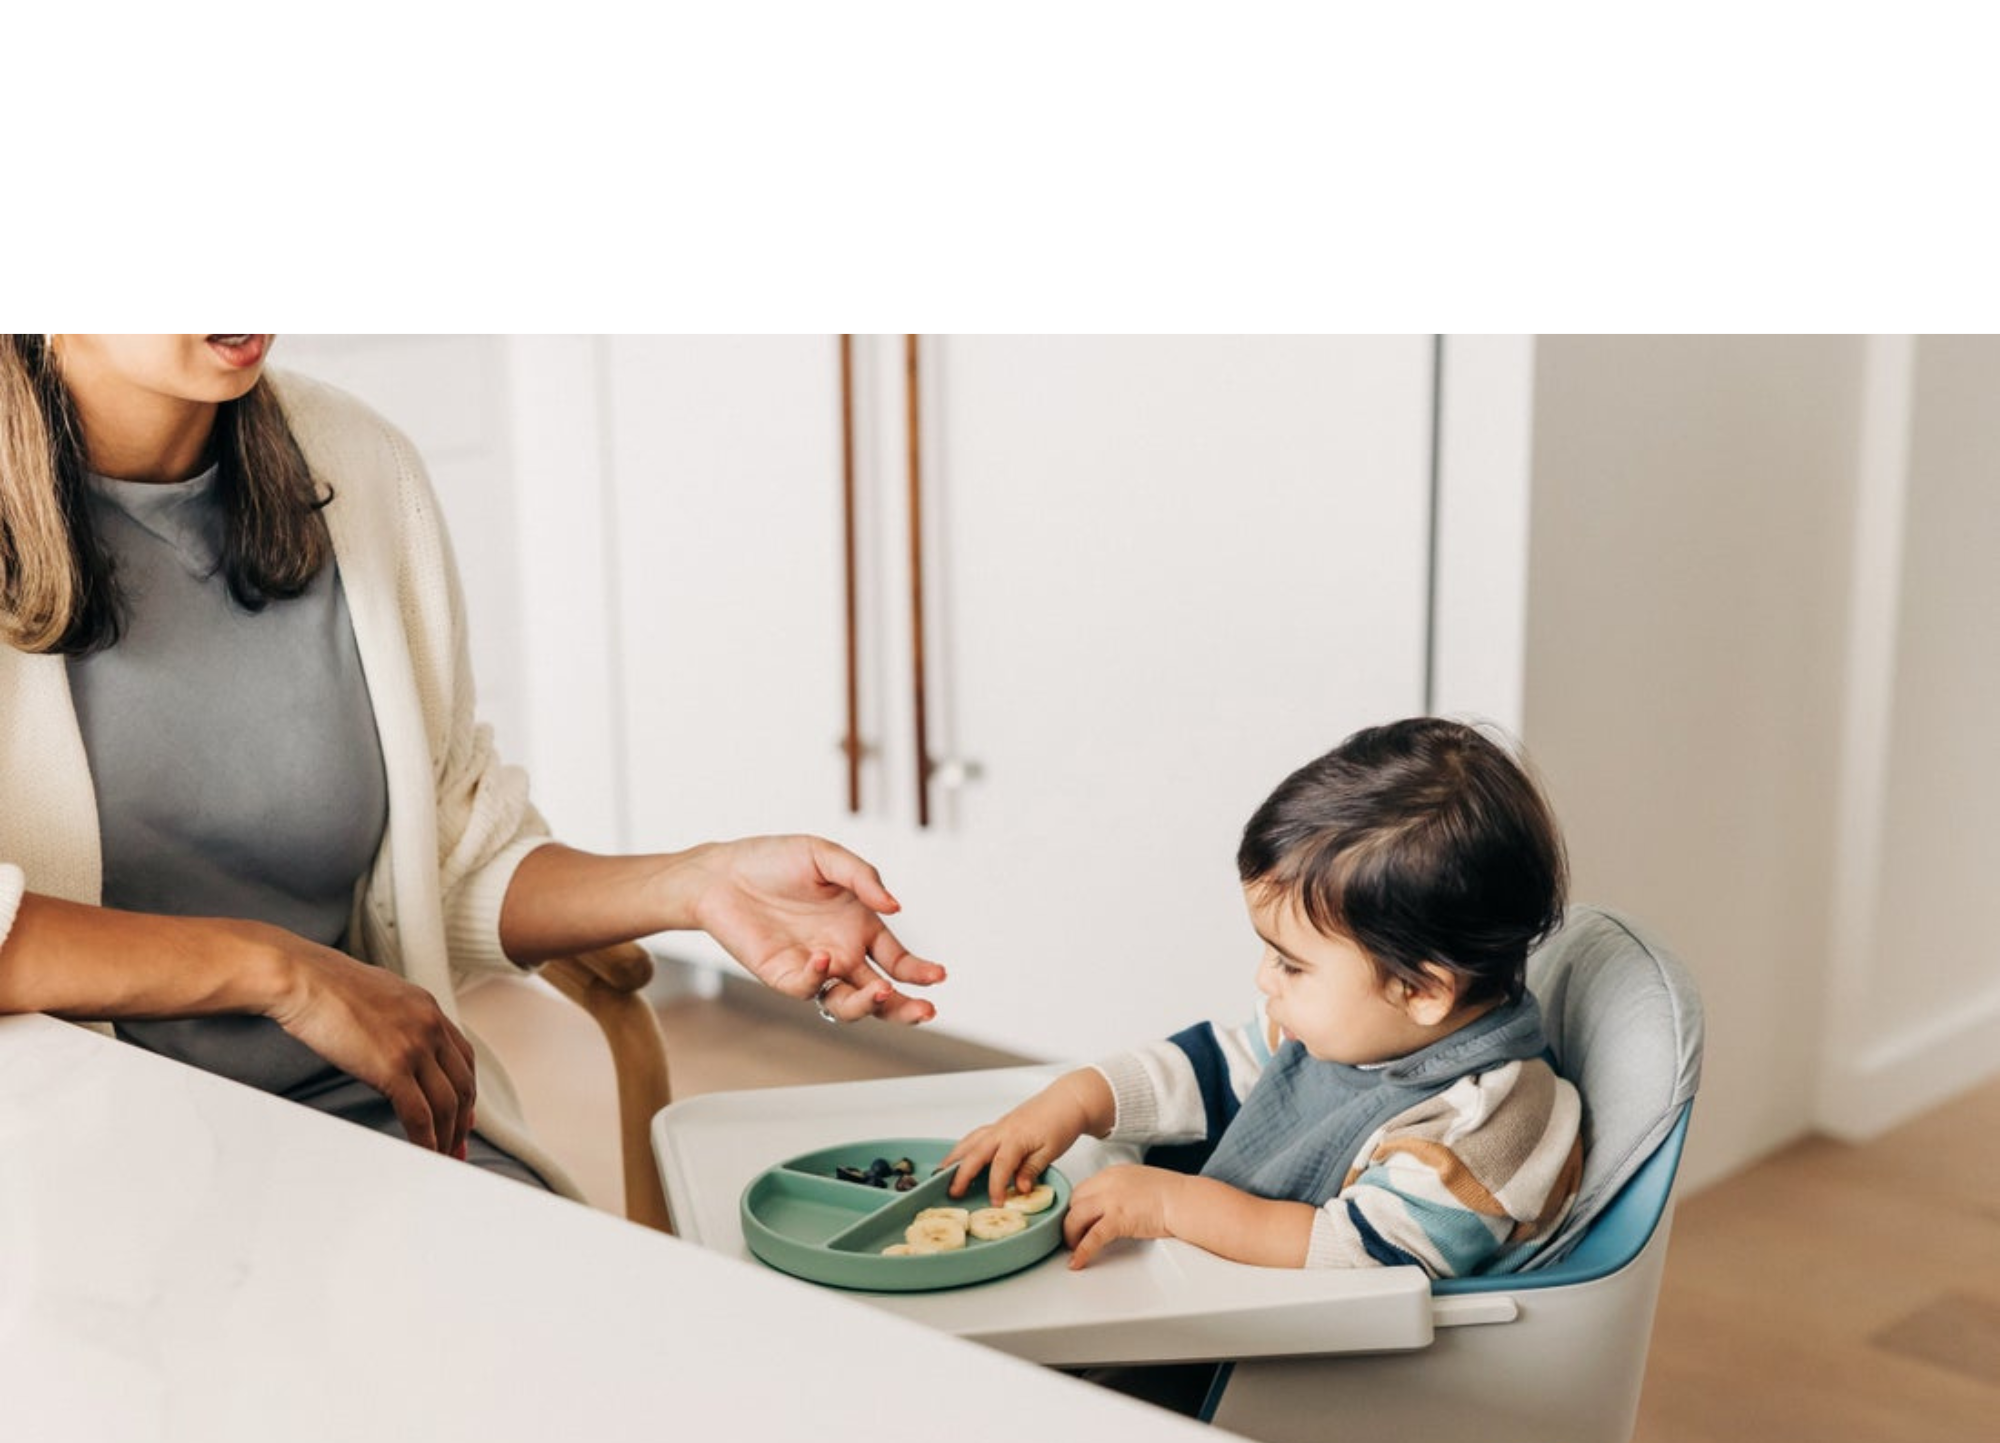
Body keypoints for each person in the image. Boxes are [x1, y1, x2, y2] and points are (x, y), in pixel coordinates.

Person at [0, 333, 944, 1200]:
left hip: (377, 1116)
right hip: (73, 1160)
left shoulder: (360, 467)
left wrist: (695, 883)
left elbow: (443, 858)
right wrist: (279, 970)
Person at [942, 715, 1582, 1292]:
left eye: (1291, 965)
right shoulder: (1351, 1031)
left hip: (1340, 1363)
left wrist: (1171, 1205)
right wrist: (1075, 1101)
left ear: (1421, 991)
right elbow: (1213, 1069)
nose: (1264, 980)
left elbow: (1366, 1259)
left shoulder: (1485, 1119)